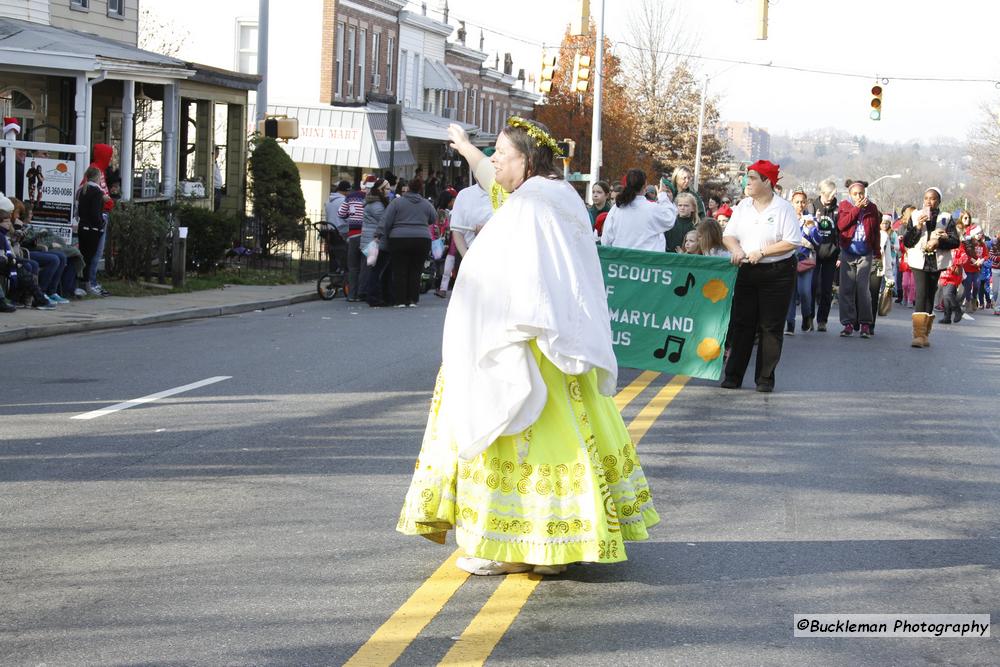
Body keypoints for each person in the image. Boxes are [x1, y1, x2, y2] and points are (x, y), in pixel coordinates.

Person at [398, 116, 658, 576]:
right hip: (551, 342)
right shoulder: (550, 195)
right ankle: (549, 549)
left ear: (528, 159)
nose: (494, 159)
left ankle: (518, 547)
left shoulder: (535, 203)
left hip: (525, 342)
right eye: (492, 152)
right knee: (564, 436)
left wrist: (495, 328)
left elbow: (523, 276)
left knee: (517, 439)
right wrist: (465, 148)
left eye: (502, 153)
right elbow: (494, 185)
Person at [721, 160, 801, 393]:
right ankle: (733, 375)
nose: (748, 182)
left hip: (777, 272)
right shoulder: (743, 206)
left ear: (767, 182)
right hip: (747, 270)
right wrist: (736, 249)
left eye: (753, 177)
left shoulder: (782, 208)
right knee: (742, 324)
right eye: (747, 177)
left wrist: (763, 252)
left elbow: (791, 241)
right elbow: (729, 235)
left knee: (770, 326)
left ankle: (765, 378)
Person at [901, 187, 960, 348]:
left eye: (933, 198)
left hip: (936, 262)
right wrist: (918, 227)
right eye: (926, 198)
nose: (929, 201)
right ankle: (918, 334)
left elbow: (955, 242)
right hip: (918, 261)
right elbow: (907, 242)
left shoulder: (946, 218)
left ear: (939, 201)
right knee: (921, 293)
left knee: (930, 294)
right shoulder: (915, 215)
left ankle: (925, 333)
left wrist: (938, 242)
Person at [378, 176, 436, 307]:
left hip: (399, 239)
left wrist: (379, 234)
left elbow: (387, 219)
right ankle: (412, 299)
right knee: (416, 270)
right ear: (420, 189)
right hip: (421, 239)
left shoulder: (397, 203)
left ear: (408, 189)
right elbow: (433, 218)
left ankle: (400, 300)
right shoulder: (426, 203)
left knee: (400, 270)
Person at [835, 181, 882, 338]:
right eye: (855, 194)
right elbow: (841, 225)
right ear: (850, 194)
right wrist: (856, 209)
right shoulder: (844, 206)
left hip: (865, 253)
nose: (858, 196)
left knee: (863, 289)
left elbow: (876, 232)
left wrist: (877, 252)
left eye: (861, 193)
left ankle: (865, 324)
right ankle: (847, 323)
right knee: (846, 289)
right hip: (848, 252)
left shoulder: (872, 208)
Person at [599, 169, 676, 251]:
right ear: (644, 186)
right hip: (646, 261)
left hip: (622, 261)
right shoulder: (652, 209)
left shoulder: (616, 209)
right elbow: (669, 219)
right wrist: (663, 196)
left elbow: (606, 240)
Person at [80, 143, 115, 296]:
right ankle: (90, 282)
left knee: (96, 252)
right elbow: (87, 192)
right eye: (108, 156)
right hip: (96, 221)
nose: (110, 159)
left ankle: (92, 281)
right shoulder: (95, 171)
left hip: (99, 217)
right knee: (94, 252)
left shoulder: (99, 171)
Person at [810, 178, 840, 331]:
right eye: (829, 194)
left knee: (827, 289)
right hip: (814, 253)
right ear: (822, 193)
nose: (831, 197)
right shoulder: (813, 206)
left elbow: (840, 233)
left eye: (833, 195)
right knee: (813, 286)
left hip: (831, 253)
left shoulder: (837, 209)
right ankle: (809, 316)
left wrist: (839, 255)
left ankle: (822, 320)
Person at [360, 178, 391, 307]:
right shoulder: (377, 205)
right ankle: (373, 296)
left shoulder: (373, 203)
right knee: (376, 270)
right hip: (375, 241)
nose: (390, 191)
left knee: (374, 269)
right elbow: (385, 222)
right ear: (380, 190)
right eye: (388, 188)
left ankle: (371, 294)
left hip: (370, 239)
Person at [338, 178, 370, 302]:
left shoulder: (350, 197)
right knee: (364, 266)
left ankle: (351, 294)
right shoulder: (371, 198)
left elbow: (341, 213)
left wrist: (350, 215)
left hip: (353, 235)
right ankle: (361, 293)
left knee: (353, 267)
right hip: (367, 236)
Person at [869, 215, 898, 335]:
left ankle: (870, 324)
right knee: (860, 294)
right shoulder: (865, 231)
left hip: (878, 267)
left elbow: (887, 257)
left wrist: (890, 276)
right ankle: (856, 320)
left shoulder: (886, 235)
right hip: (861, 267)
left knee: (874, 295)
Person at [433, 188, 458, 298]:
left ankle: (443, 288)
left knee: (446, 266)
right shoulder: (445, 213)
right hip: (451, 242)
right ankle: (443, 288)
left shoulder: (438, 211)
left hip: (447, 242)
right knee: (448, 265)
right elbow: (446, 228)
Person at [323, 180, 351, 275]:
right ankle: (345, 280)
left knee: (333, 259)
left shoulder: (328, 201)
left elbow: (327, 218)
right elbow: (349, 218)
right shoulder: (345, 201)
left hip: (330, 234)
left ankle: (334, 280)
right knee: (345, 258)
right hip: (342, 234)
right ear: (346, 191)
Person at [213, 146, 224, 211]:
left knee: (217, 206)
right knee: (215, 206)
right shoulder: (211, 163)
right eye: (216, 152)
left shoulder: (215, 163)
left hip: (218, 188)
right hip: (215, 189)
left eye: (218, 152)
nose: (217, 154)